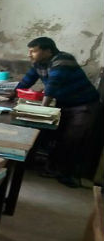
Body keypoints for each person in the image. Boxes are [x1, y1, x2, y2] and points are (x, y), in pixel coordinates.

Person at [16, 37, 101, 187]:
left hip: (83, 106)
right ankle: (47, 167)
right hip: (63, 104)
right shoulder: (38, 63)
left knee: (72, 139)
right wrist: (8, 94)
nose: (30, 55)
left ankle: (66, 174)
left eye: (33, 51)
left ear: (48, 50)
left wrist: (42, 110)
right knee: (51, 135)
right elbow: (26, 82)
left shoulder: (63, 60)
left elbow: (53, 85)